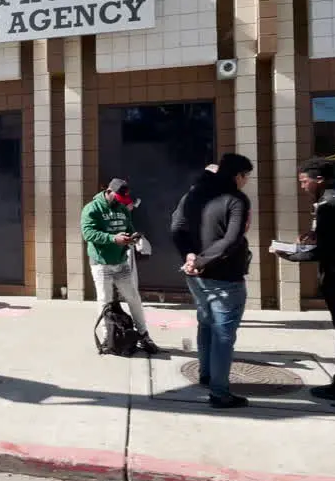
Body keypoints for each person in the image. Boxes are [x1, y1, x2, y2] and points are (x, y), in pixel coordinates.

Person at [275, 158, 335, 404]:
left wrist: (292, 254)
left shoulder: (330, 205)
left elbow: (325, 251)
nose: (302, 186)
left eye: (304, 182)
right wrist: (316, 235)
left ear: (319, 180)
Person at [171, 154, 254, 409]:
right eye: (245, 177)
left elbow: (177, 227)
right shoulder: (236, 200)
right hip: (225, 277)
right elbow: (231, 240)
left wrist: (190, 257)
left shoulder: (194, 195)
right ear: (238, 175)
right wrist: (202, 261)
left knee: (206, 323)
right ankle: (219, 392)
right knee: (223, 334)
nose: (245, 182)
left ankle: (206, 374)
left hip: (196, 277)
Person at [81, 178, 160, 354]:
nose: (121, 203)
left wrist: (135, 238)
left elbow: (130, 227)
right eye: (118, 198)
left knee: (134, 298)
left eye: (124, 200)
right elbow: (88, 233)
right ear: (109, 192)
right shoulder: (91, 209)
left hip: (121, 262)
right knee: (105, 302)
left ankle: (144, 335)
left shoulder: (123, 209)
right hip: (101, 264)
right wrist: (112, 238)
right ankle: (107, 338)